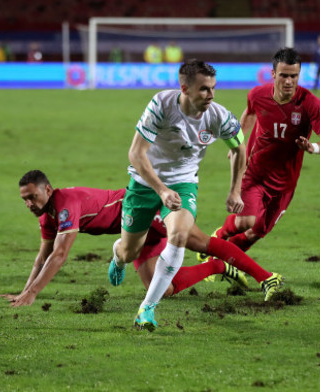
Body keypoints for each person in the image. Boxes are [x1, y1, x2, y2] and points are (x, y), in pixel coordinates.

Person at [108, 59, 283, 331]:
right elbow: (136, 153)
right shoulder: (161, 105)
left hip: (183, 184)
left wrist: (235, 190)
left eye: (213, 88)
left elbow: (239, 149)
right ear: (185, 89)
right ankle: (117, 257)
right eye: (203, 89)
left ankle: (147, 309)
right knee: (130, 251)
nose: (211, 95)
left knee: (178, 235)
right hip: (145, 183)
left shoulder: (219, 116)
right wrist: (161, 189)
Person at [0, 170, 249, 307]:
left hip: (141, 211)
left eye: (33, 197)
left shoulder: (64, 206)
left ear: (48, 190)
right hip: (132, 231)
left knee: (200, 241)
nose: (29, 203)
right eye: (25, 199)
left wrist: (33, 293)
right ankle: (217, 266)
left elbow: (60, 255)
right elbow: (42, 257)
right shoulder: (46, 216)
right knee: (164, 291)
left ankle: (264, 277)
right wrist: (24, 292)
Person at [205, 48, 320, 254]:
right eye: (284, 75)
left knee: (257, 231)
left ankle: (220, 259)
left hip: (285, 183)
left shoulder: (309, 103)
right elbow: (249, 114)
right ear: (273, 74)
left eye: (294, 76)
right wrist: (238, 143)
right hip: (255, 172)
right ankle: (219, 237)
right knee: (245, 222)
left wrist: (314, 147)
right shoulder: (258, 95)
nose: (289, 81)